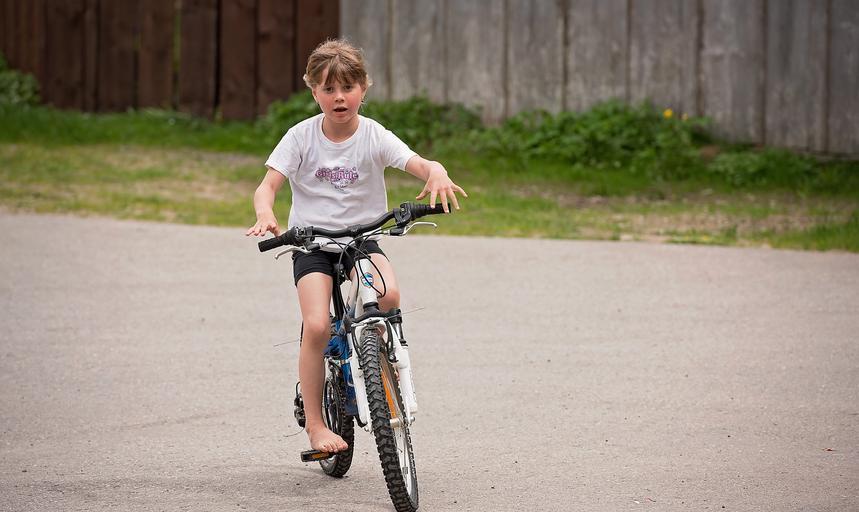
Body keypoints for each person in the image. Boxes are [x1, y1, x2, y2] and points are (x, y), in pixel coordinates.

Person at [246, 39, 467, 454]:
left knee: (389, 294)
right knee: (316, 326)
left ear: (364, 88)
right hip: (311, 244)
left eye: (348, 87)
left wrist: (436, 172)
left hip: (361, 241)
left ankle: (373, 354)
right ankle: (316, 424)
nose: (339, 97)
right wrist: (265, 213)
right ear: (313, 90)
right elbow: (267, 186)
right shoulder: (300, 137)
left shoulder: (373, 135)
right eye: (328, 88)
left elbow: (418, 163)